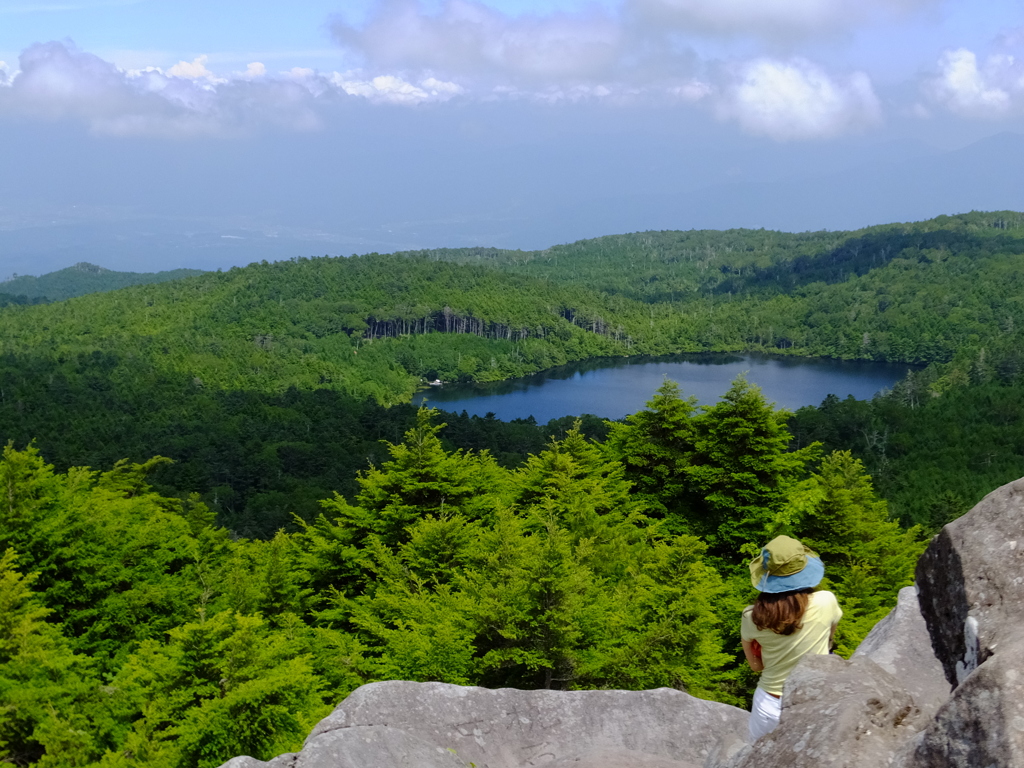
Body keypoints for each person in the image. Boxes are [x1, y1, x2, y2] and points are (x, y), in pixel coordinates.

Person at [740, 535, 842, 743]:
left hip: (769, 703)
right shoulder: (825, 601)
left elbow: (756, 666)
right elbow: (830, 640)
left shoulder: (752, 617)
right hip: (811, 698)